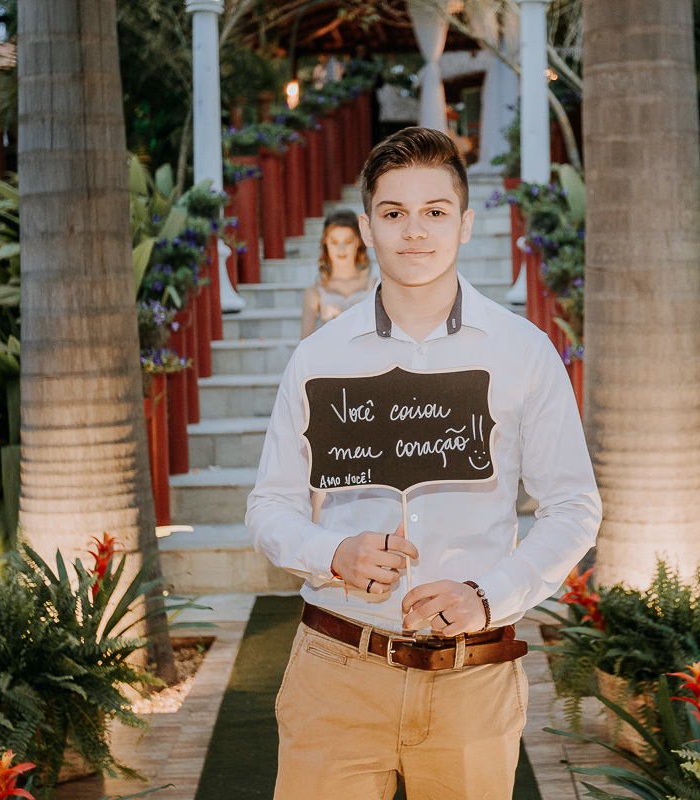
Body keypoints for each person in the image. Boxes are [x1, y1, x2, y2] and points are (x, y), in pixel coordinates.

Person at [246, 126, 601, 799]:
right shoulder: (320, 357)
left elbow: (573, 508)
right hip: (336, 667)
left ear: (464, 223)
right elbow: (269, 506)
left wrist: (488, 595)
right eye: (394, 213)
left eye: (435, 212)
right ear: (367, 226)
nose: (415, 231)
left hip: (472, 675)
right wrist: (331, 553)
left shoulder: (522, 352)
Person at [300, 208, 376, 340]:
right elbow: (305, 342)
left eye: (348, 242)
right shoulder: (314, 292)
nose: (341, 249)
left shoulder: (375, 286)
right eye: (334, 242)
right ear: (325, 242)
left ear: (358, 241)